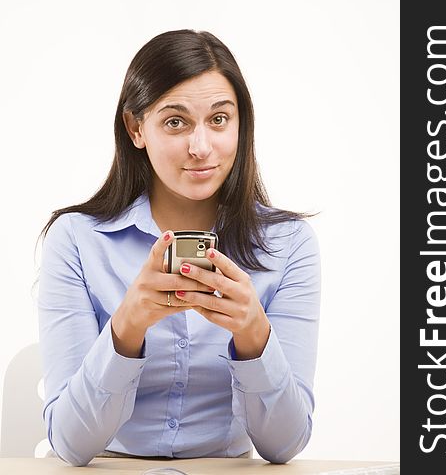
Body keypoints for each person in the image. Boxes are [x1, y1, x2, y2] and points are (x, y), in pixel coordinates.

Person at [37, 29, 321, 467]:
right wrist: (128, 324)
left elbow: (284, 446)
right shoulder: (75, 239)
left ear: (241, 124)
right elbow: (71, 445)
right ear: (136, 128)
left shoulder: (288, 244)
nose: (201, 147)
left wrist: (253, 335)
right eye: (175, 122)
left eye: (220, 120)